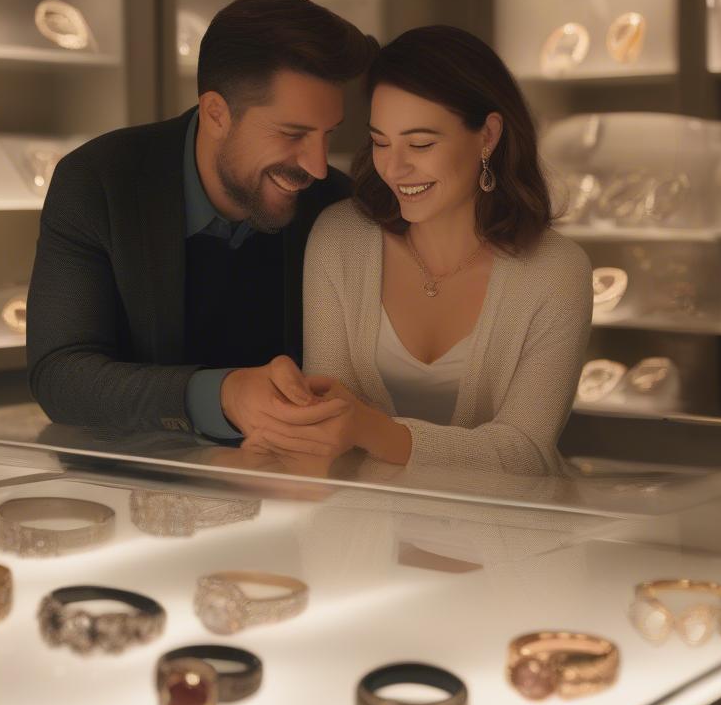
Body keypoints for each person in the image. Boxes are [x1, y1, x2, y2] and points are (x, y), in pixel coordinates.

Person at [240, 25, 593, 475]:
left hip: (498, 539)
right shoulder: (340, 238)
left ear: (488, 135)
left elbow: (526, 452)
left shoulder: (556, 271)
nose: (394, 166)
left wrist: (372, 430)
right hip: (363, 535)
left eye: (421, 144)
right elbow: (330, 413)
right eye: (381, 141)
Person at [26, 0, 377, 438]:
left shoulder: (336, 206)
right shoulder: (99, 182)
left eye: (328, 133)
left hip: (295, 485)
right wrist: (220, 395)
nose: (316, 164)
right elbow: (60, 376)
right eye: (293, 133)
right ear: (216, 114)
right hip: (131, 489)